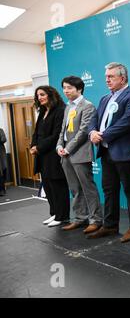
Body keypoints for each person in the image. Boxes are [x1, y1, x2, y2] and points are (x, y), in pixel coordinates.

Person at [87, 62, 130, 243]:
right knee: (109, 190)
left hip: (125, 153)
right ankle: (110, 225)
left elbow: (127, 122)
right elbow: (94, 119)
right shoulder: (105, 98)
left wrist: (102, 136)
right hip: (106, 153)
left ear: (123, 78)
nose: (107, 80)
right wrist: (92, 132)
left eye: (111, 77)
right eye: (106, 77)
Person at [56, 76, 103, 234]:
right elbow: (63, 130)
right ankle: (79, 218)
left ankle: (96, 219)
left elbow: (83, 132)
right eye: (64, 88)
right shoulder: (68, 107)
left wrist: (67, 148)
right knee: (75, 189)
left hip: (80, 154)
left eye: (69, 88)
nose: (66, 91)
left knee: (88, 188)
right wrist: (59, 146)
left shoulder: (87, 106)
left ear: (79, 89)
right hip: (66, 155)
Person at [31, 86, 70, 227]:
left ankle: (63, 216)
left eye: (42, 94)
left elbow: (56, 135)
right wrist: (33, 145)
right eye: (38, 95)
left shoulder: (60, 110)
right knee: (47, 184)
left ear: (50, 95)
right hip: (42, 155)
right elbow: (36, 132)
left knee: (58, 185)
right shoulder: (42, 111)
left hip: (53, 154)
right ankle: (54, 213)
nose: (40, 97)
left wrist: (39, 147)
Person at [0, 128, 7, 196]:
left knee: (3, 169)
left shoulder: (0, 130)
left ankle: (2, 189)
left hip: (1, 154)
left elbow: (4, 139)